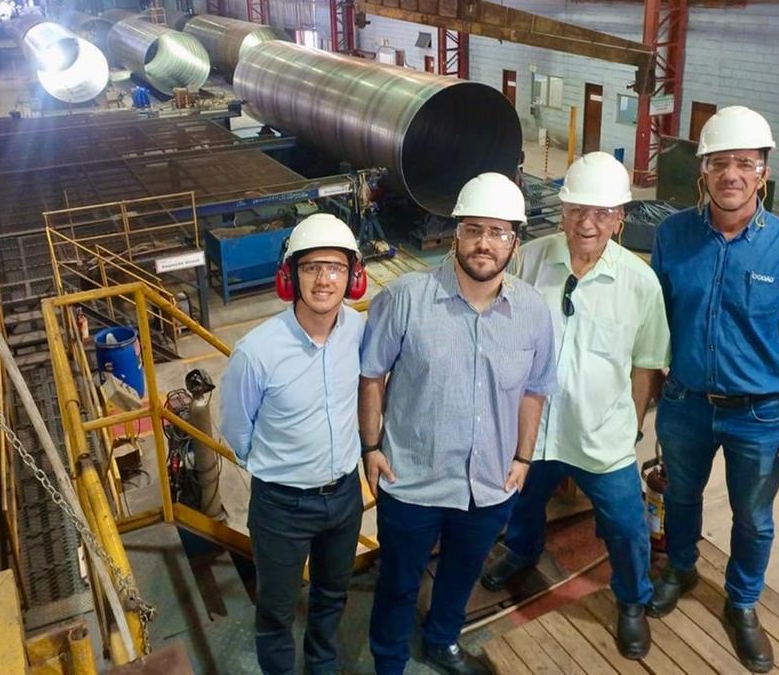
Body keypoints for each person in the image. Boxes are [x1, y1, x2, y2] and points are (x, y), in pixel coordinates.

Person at [648, 106, 779, 673]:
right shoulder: (673, 236)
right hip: (682, 404)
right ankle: (680, 569)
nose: (732, 174)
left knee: (754, 518)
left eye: (744, 164)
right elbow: (654, 317)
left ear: (763, 174)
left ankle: (742, 603)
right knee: (680, 497)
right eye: (720, 163)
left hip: (757, 415)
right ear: (702, 172)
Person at [360, 172, 557, 675]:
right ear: (456, 234)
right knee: (399, 580)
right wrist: (370, 446)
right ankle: (388, 659)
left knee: (462, 571)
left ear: (515, 241)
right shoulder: (405, 298)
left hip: (490, 483)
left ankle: (443, 639)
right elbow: (371, 375)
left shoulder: (533, 311)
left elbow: (535, 389)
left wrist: (522, 457)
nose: (484, 243)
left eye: (497, 232)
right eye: (473, 230)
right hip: (412, 479)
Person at [481, 152, 669, 660]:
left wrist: (628, 427)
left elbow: (646, 364)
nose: (587, 224)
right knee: (522, 502)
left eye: (602, 213)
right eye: (576, 210)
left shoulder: (639, 283)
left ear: (620, 218)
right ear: (561, 210)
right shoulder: (529, 260)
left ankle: (632, 600)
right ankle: (521, 550)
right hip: (535, 429)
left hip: (600, 433)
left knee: (628, 525)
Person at [220, 213, 368, 675]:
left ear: (353, 277)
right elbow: (237, 431)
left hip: (345, 498)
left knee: (330, 596)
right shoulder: (257, 351)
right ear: (290, 277)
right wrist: (280, 466)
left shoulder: (360, 334)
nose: (325, 280)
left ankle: (322, 666)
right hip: (282, 506)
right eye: (311, 268)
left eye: (336, 268)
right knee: (277, 612)